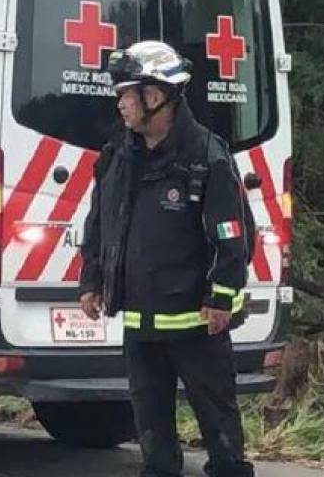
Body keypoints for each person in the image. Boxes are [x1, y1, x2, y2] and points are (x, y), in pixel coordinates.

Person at [78, 41, 255, 477]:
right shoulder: (118, 155)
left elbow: (232, 236)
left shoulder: (206, 158)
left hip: (197, 325)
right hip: (140, 325)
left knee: (221, 431)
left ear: (155, 97)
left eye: (127, 94)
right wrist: (92, 279)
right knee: (152, 435)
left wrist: (221, 298)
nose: (120, 103)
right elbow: (100, 222)